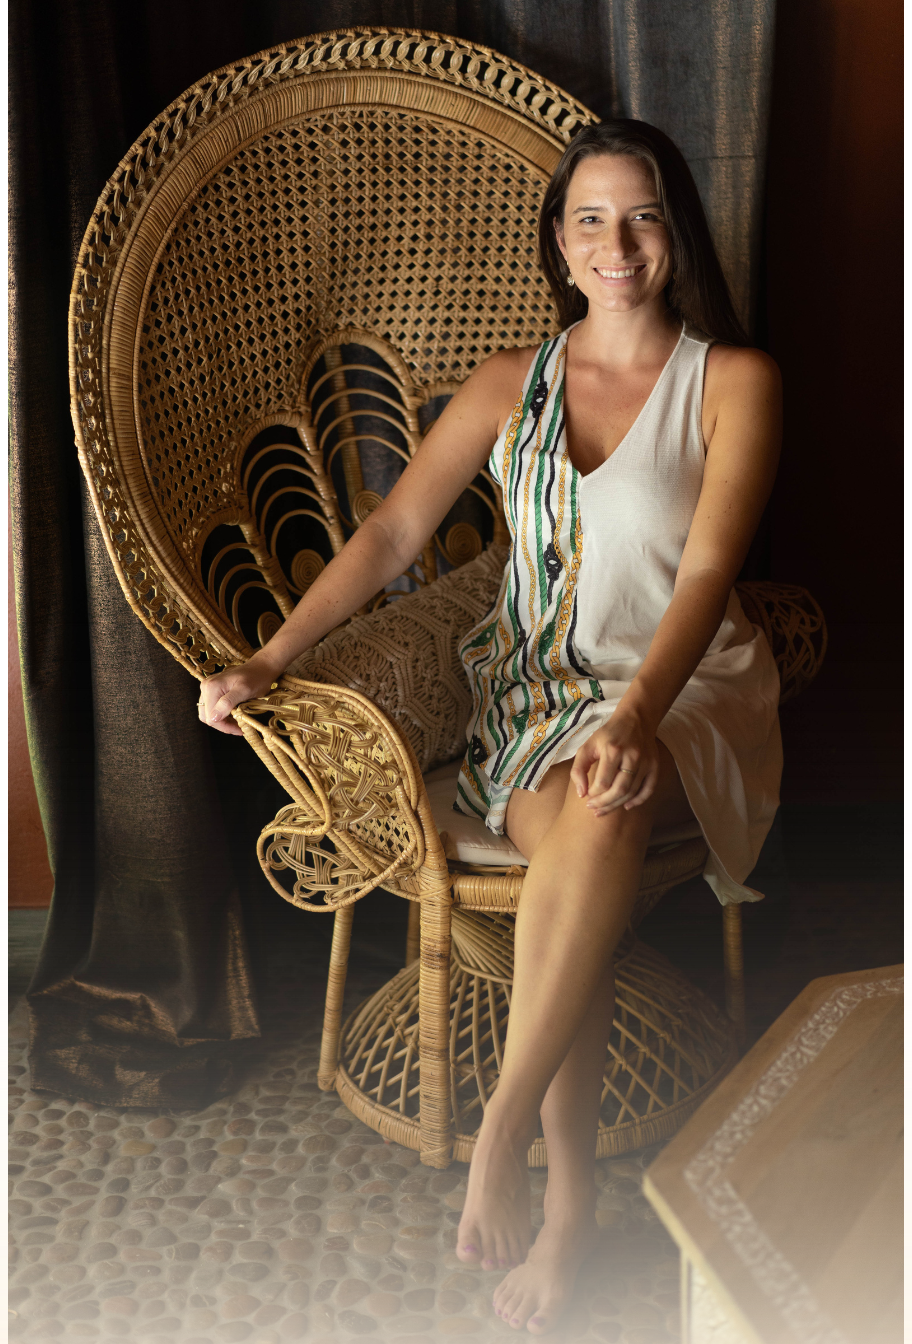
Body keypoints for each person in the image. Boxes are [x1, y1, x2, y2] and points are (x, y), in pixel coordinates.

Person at [198, 119, 782, 1336]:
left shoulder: (733, 383)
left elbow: (707, 575)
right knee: (584, 836)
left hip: (684, 686)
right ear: (559, 242)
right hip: (535, 696)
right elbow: (390, 537)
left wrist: (640, 716)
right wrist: (268, 656)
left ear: (675, 234)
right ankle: (563, 1197)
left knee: (604, 804)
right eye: (590, 219)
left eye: (642, 217)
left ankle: (511, 1138)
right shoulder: (509, 383)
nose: (617, 244)